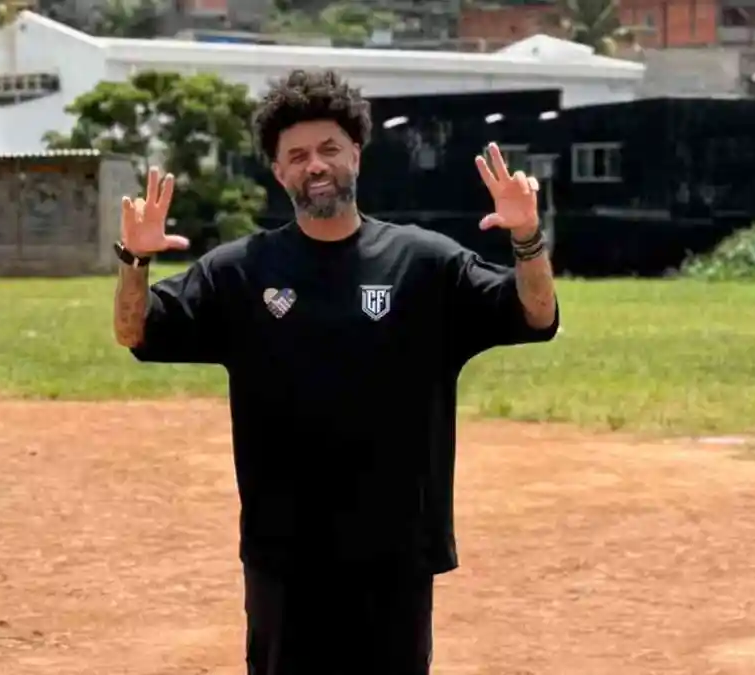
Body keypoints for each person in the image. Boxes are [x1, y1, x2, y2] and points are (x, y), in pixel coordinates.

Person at [111, 69, 560, 675]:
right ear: (278, 172)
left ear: (356, 154)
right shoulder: (239, 271)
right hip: (284, 551)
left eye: (328, 149)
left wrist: (528, 240)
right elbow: (134, 331)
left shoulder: (425, 264)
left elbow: (535, 314)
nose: (314, 165)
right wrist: (135, 258)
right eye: (296, 155)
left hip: (395, 549)